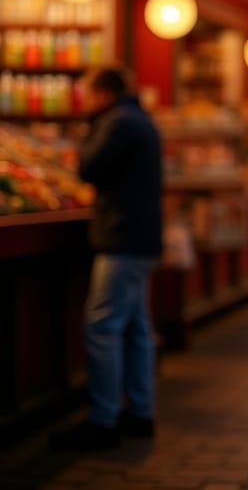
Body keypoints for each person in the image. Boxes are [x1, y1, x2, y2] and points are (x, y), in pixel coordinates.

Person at [49, 67, 163, 450]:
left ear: (101, 93)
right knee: (135, 329)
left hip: (121, 238)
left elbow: (88, 168)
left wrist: (87, 130)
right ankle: (139, 413)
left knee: (102, 327)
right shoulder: (138, 119)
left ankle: (103, 419)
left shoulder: (117, 122)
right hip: (140, 238)